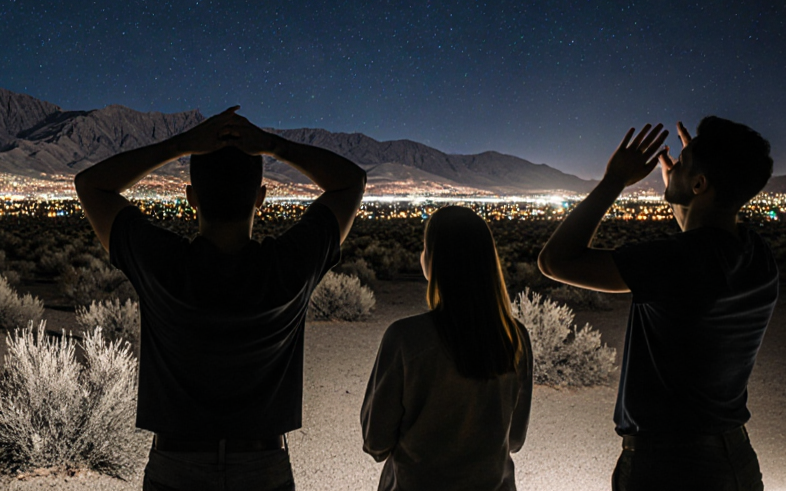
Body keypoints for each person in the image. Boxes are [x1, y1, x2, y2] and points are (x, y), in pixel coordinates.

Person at [74, 106, 366, 491]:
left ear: (191, 197)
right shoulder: (287, 268)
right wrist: (273, 145)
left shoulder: (163, 265)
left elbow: (91, 184)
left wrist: (180, 144)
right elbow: (350, 182)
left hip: (176, 466)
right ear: (261, 197)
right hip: (263, 466)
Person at [538, 118, 776, 491]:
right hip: (736, 460)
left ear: (700, 185)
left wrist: (614, 179)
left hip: (670, 468)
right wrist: (685, 186)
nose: (673, 165)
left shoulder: (676, 261)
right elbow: (702, 241)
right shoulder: (756, 254)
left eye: (683, 162)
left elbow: (555, 261)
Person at [361, 206, 532, 491]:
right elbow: (514, 439)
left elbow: (376, 441)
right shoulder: (514, 337)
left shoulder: (405, 338)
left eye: (426, 247)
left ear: (435, 259)